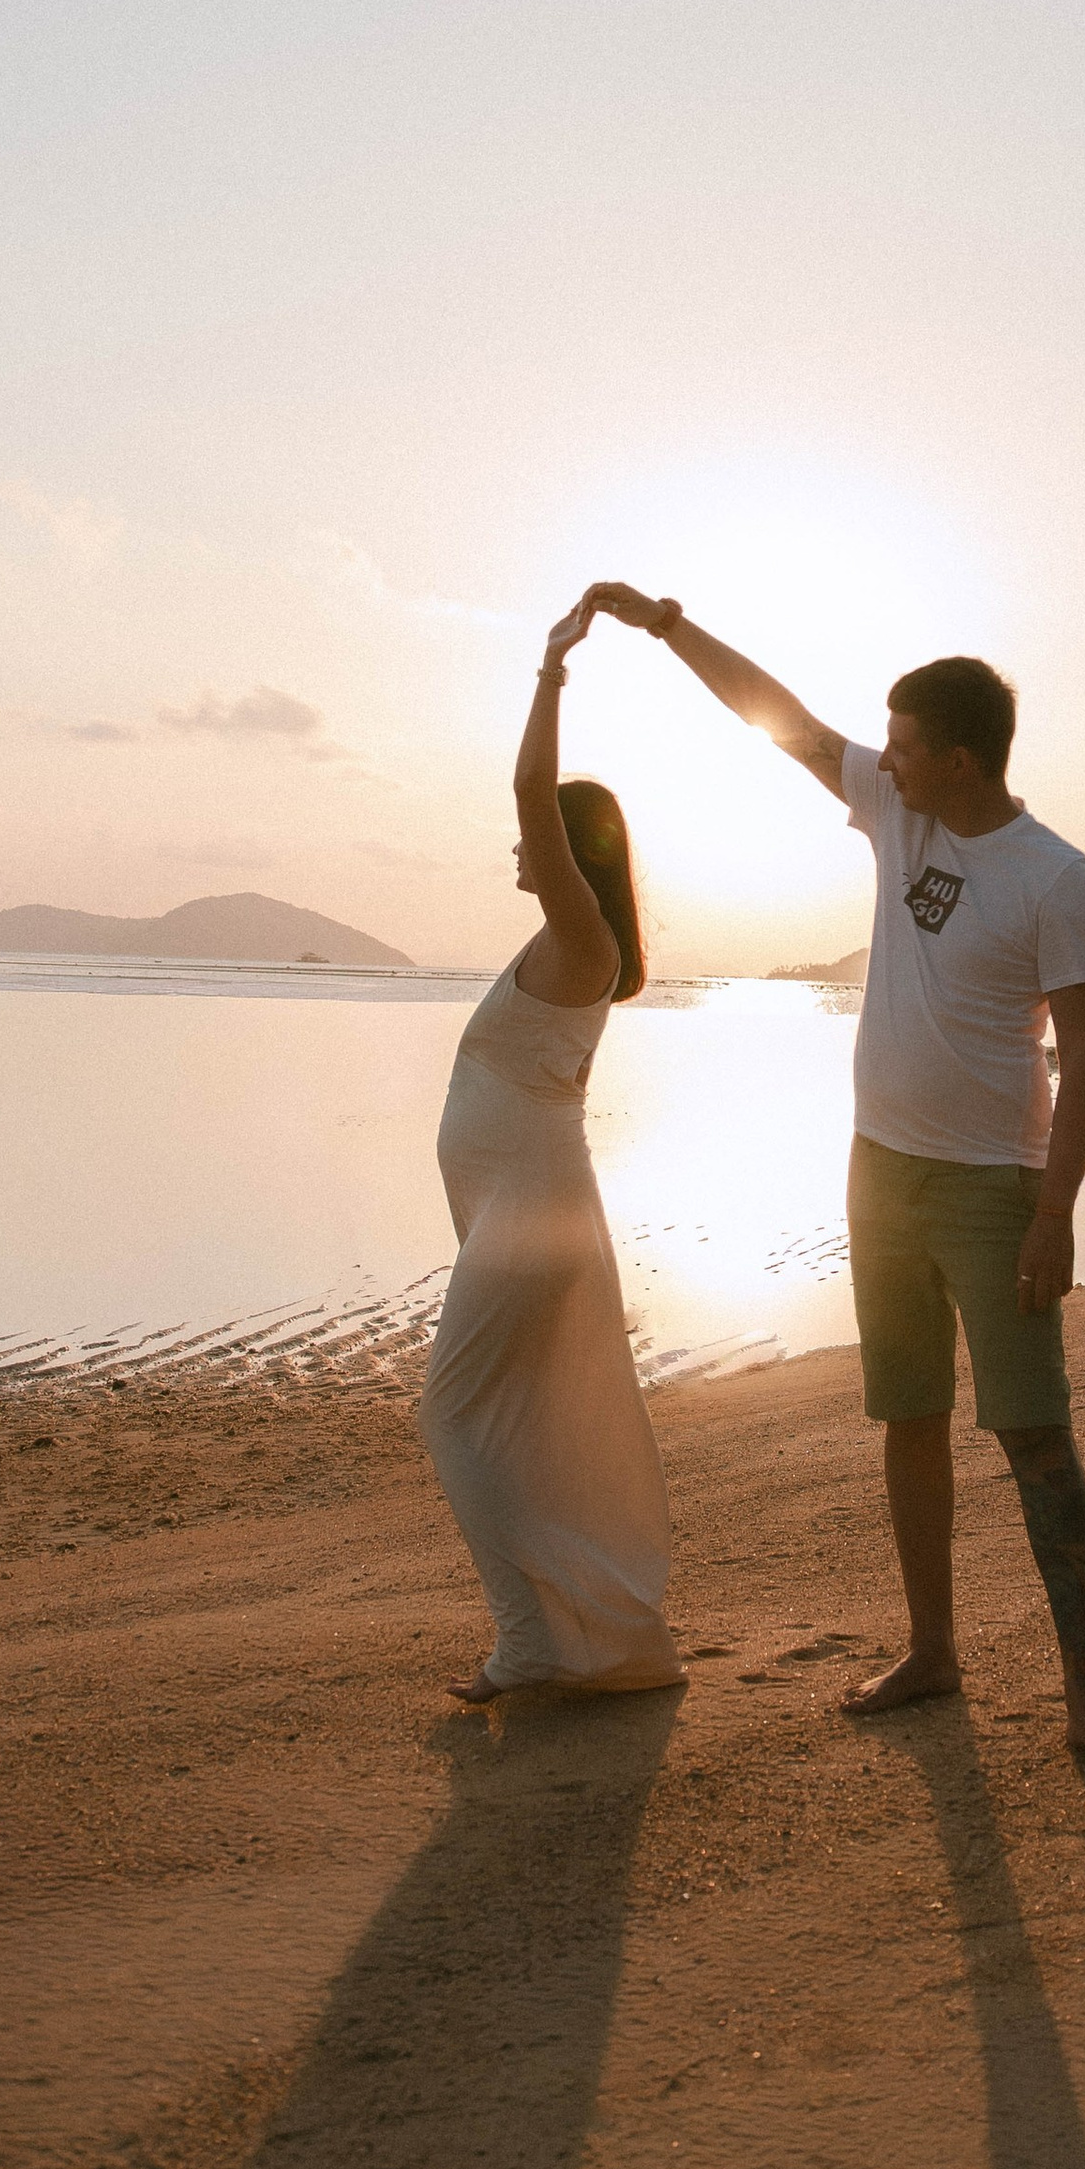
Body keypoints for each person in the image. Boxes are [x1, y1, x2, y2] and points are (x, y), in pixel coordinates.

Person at [584, 585, 1085, 1773]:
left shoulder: (1056, 877)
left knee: (1035, 1440)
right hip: (877, 1172)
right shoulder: (901, 821)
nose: (879, 761)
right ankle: (933, 1649)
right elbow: (785, 722)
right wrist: (668, 625)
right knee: (908, 1418)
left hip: (994, 1189)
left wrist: (1056, 1208)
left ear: (958, 759)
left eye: (901, 747)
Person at [420, 597, 683, 1703]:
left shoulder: (583, 937)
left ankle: (529, 1641)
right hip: (511, 1206)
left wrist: (551, 672)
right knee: (514, 1426)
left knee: (450, 1409)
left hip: (532, 1210)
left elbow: (530, 792)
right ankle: (577, 1638)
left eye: (536, 840)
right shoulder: (558, 940)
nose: (516, 849)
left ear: (565, 853)